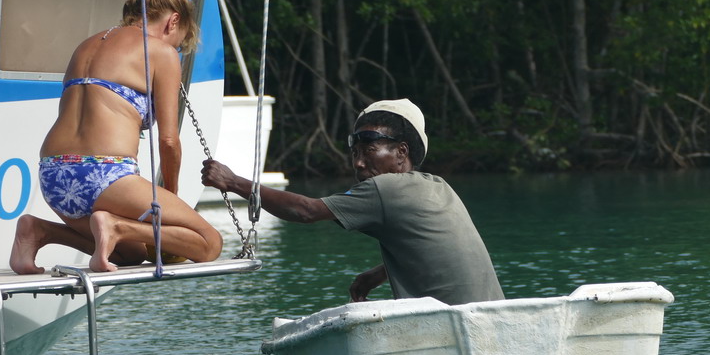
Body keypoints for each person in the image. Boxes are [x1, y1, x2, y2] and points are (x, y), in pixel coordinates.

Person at [9, 0, 223, 274]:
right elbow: (169, 141)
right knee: (209, 243)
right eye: (180, 42)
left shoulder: (86, 46)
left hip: (53, 173)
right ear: (173, 21)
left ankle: (40, 231)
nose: (177, 49)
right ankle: (114, 225)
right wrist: (170, 198)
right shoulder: (160, 51)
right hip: (105, 172)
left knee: (130, 253)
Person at [200, 98, 503, 306]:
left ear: (401, 152)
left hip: (451, 324)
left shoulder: (386, 188)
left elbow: (304, 211)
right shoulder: (439, 186)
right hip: (490, 315)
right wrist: (379, 273)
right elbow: (432, 247)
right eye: (355, 152)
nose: (358, 164)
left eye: (369, 150)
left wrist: (234, 182)